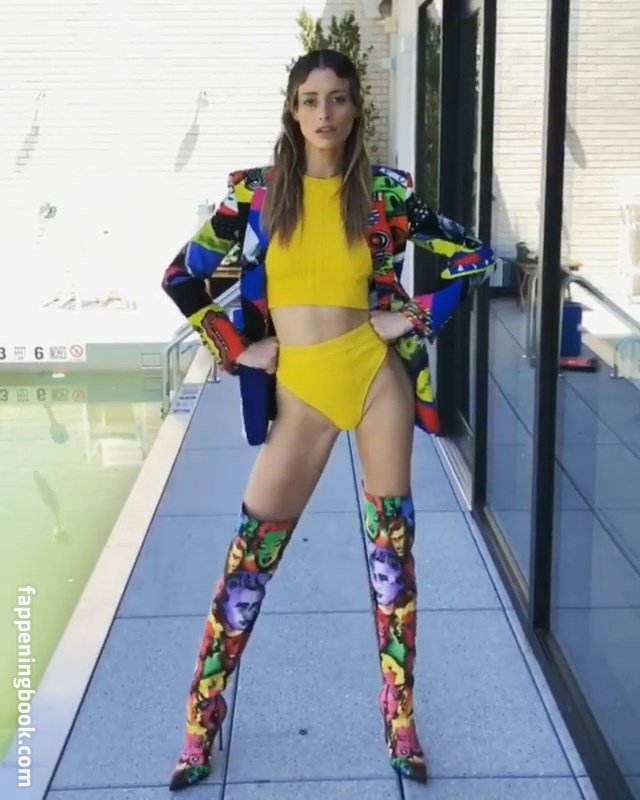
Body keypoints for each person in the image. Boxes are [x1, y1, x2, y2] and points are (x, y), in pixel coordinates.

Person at [162, 48, 494, 791]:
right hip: (302, 391)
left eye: (338, 98)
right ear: (292, 109)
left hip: (374, 381)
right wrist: (237, 347)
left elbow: (473, 256)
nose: (324, 113)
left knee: (392, 560)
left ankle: (399, 714)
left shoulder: (384, 194)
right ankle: (201, 718)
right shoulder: (254, 196)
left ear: (354, 109)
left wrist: (408, 317)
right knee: (249, 560)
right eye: (310, 99)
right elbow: (181, 276)